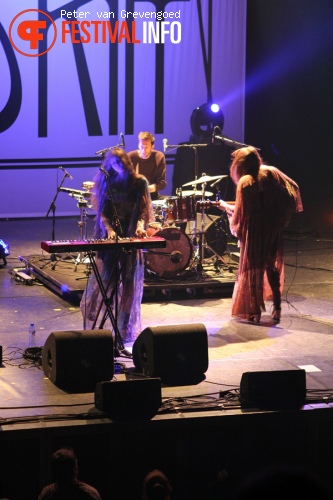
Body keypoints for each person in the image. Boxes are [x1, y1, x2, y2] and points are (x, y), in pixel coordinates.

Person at [218, 146, 303, 324]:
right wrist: (281, 212)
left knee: (253, 269)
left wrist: (225, 207)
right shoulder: (271, 172)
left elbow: (242, 213)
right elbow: (293, 188)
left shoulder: (246, 181)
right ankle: (277, 308)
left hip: (256, 231)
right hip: (272, 227)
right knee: (271, 265)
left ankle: (255, 311)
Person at [80, 147, 154, 343]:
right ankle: (103, 325)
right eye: (114, 163)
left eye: (121, 162)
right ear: (109, 165)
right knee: (106, 281)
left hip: (130, 238)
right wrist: (109, 230)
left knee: (129, 284)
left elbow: (144, 211)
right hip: (111, 238)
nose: (118, 166)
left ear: (127, 162)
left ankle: (123, 327)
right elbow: (103, 212)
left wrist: (139, 227)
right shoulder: (107, 181)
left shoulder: (139, 182)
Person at [128, 131, 167, 201]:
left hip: (152, 196)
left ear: (152, 147)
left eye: (146, 147)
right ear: (138, 145)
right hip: (134, 197)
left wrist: (147, 189)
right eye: (141, 147)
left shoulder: (159, 157)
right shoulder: (130, 157)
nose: (143, 150)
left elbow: (162, 183)